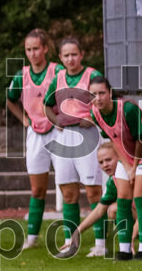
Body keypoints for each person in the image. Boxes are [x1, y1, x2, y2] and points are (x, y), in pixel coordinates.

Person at [60, 142, 142, 257]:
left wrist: (130, 238)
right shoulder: (113, 181)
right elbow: (99, 210)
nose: (105, 165)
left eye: (108, 160)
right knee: (113, 210)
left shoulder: (140, 174)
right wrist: (76, 233)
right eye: (101, 162)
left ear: (120, 158)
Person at [88, 77, 142, 260]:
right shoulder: (95, 114)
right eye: (93, 94)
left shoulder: (127, 109)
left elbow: (141, 140)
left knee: (140, 196)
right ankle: (124, 249)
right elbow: (114, 140)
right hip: (126, 154)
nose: (97, 98)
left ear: (110, 93)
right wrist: (127, 165)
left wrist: (134, 167)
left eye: (101, 93)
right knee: (123, 196)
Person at [43, 37, 106, 257]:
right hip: (64, 137)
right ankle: (71, 241)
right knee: (68, 192)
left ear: (81, 55)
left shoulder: (92, 75)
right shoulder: (58, 78)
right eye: (66, 55)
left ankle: (100, 243)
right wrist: (55, 120)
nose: (71, 59)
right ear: (60, 58)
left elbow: (103, 101)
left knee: (93, 191)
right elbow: (47, 105)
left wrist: (92, 118)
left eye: (74, 54)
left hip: (87, 135)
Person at [5, 28, 60, 249]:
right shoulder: (21, 76)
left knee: (67, 187)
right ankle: (32, 237)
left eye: (36, 48)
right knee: (37, 189)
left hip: (58, 130)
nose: (32, 53)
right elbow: (10, 100)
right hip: (35, 132)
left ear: (45, 48)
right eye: (28, 49)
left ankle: (70, 237)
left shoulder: (57, 72)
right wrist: (24, 119)